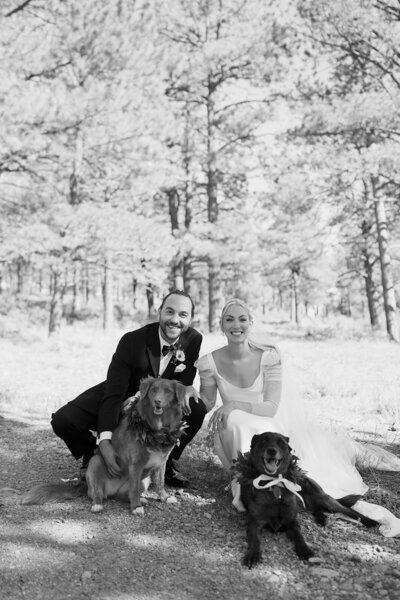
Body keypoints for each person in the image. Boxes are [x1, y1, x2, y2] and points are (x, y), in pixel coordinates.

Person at [196, 298, 400, 537]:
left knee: (240, 421)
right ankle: (247, 486)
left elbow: (270, 407)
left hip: (267, 425)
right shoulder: (209, 362)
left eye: (242, 319)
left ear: (251, 323)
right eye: (229, 319)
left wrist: (232, 404)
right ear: (221, 324)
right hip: (232, 427)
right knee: (233, 421)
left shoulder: (268, 357)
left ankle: (266, 486)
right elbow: (207, 402)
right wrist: (188, 395)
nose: (236, 325)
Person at [51, 290, 207, 488]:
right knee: (64, 420)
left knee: (195, 407)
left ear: (191, 318)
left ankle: (165, 462)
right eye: (169, 312)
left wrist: (188, 387)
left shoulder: (193, 339)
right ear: (159, 311)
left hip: (158, 403)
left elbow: (183, 381)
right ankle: (94, 453)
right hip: (121, 393)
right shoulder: (132, 341)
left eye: (183, 315)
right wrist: (104, 441)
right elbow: (114, 392)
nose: (175, 320)